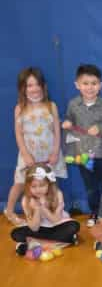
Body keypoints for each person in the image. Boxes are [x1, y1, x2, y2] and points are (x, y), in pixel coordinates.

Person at [5, 67, 67, 226]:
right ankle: (9, 211)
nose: (34, 89)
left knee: (50, 183)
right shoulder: (19, 108)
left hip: (48, 153)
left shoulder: (50, 106)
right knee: (20, 182)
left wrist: (55, 152)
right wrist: (25, 154)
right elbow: (18, 133)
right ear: (23, 89)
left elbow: (57, 131)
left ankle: (51, 212)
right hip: (29, 154)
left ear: (43, 86)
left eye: (37, 84)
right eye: (29, 85)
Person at [62, 64, 102, 227]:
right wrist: (67, 123)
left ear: (100, 85)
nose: (90, 87)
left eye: (94, 83)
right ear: (77, 84)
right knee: (91, 188)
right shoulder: (73, 104)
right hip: (83, 154)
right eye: (85, 83)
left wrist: (101, 128)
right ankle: (95, 212)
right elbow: (68, 119)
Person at [11, 163, 79, 256]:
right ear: (28, 186)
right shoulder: (26, 200)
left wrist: (43, 208)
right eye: (33, 186)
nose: (38, 189)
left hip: (57, 226)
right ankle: (58, 242)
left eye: (42, 185)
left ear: (49, 184)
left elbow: (55, 220)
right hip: (39, 229)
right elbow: (34, 228)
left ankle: (35, 243)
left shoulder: (57, 194)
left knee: (73, 226)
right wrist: (37, 209)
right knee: (16, 233)